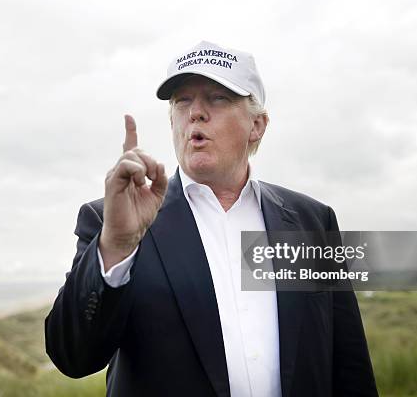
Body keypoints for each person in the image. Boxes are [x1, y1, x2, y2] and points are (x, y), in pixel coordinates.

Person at [45, 40, 378, 397]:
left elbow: (348, 361)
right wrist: (117, 244)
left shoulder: (310, 220)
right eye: (182, 100)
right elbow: (73, 357)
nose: (196, 113)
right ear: (173, 119)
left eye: (217, 98)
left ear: (257, 125)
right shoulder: (114, 222)